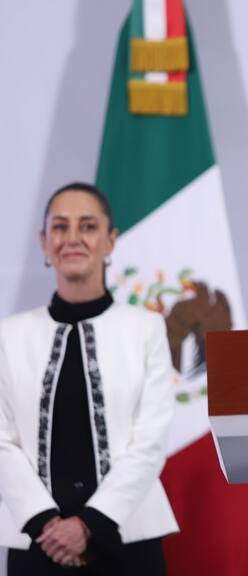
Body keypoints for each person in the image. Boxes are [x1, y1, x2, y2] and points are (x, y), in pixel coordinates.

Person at [0, 183, 178, 575]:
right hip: (37, 542)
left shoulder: (145, 329)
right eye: (61, 227)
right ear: (44, 242)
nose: (74, 238)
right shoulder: (8, 336)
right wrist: (45, 523)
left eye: (88, 226)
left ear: (110, 240)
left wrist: (88, 525)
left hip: (128, 537)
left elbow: (150, 441)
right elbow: (1, 441)